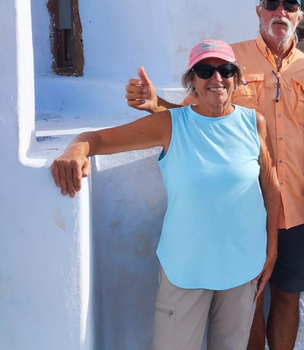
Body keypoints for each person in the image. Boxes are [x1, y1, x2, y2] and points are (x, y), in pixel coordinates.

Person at [124, 0, 304, 350]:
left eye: (289, 5)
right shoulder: (227, 61)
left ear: (299, 15)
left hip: (297, 208)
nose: (280, 11)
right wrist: (156, 104)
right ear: (259, 11)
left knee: (287, 297)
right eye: (272, 3)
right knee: (246, 303)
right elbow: (192, 116)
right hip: (243, 212)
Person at [53, 39, 280, 350]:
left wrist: (271, 251)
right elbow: (96, 140)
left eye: (225, 70)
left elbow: (271, 186)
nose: (216, 78)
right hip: (185, 268)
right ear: (192, 82)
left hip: (242, 268)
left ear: (236, 78)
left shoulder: (254, 123)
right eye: (205, 71)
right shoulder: (170, 124)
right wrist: (75, 151)